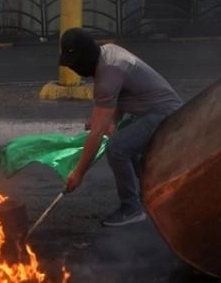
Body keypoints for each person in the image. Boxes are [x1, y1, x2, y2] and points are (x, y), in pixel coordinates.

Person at [58, 28, 184, 226]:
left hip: (166, 115)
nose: (76, 70)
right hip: (152, 112)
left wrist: (78, 173)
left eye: (76, 65)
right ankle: (150, 196)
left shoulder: (108, 73)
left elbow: (97, 132)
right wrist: (112, 121)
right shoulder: (108, 53)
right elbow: (123, 96)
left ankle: (131, 209)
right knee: (126, 143)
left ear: (86, 59)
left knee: (117, 148)